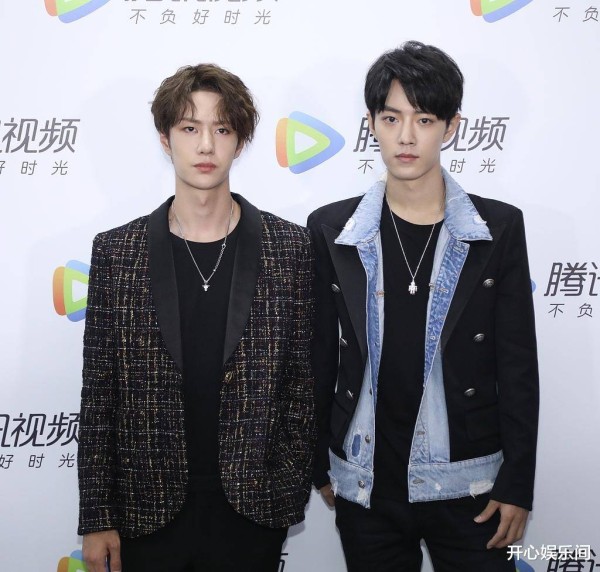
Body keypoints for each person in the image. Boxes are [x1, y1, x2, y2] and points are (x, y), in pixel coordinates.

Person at [308, 41, 539, 572]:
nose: (406, 136)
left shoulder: (497, 228)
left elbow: (517, 364)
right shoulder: (332, 228)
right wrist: (319, 462)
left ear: (451, 127)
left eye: (425, 119)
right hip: (366, 484)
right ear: (372, 123)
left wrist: (517, 482)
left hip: (470, 483)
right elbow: (320, 355)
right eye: (391, 118)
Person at [77, 63, 315, 572]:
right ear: (165, 139)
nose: (206, 145)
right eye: (190, 128)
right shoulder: (117, 252)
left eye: (222, 129)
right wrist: (97, 516)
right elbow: (99, 394)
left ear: (240, 141)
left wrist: (286, 482)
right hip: (146, 510)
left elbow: (302, 382)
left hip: (253, 509)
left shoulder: (289, 247)